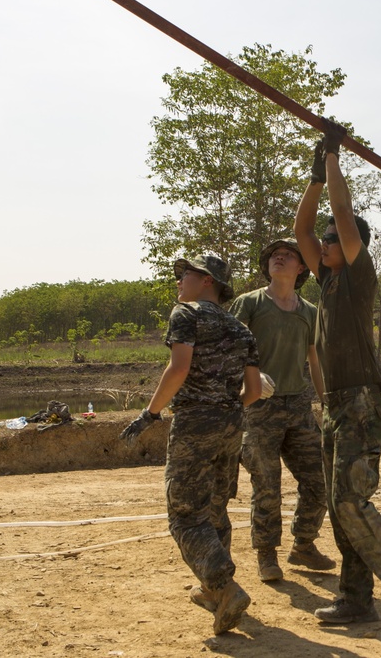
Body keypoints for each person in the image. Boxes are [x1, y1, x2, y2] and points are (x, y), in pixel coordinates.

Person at [293, 120, 381, 635]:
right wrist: (313, 177)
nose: (321, 246)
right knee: (338, 505)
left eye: (332, 242)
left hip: (360, 404)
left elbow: (341, 216)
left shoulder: (357, 272)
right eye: (325, 242)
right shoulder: (327, 284)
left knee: (352, 498)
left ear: (349, 246)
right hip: (336, 405)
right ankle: (355, 599)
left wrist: (333, 156)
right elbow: (303, 229)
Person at [119, 254, 259, 636]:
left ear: (208, 281)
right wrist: (227, 409)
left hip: (195, 423)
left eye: (187, 274)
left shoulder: (187, 314)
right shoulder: (242, 330)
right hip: (231, 424)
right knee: (214, 510)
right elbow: (256, 390)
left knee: (184, 515)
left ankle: (225, 586)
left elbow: (178, 368)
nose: (180, 280)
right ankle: (213, 593)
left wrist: (150, 414)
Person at [228, 239, 335, 582]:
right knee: (267, 485)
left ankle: (303, 545)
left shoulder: (309, 312)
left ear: (302, 268)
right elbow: (232, 348)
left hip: (298, 406)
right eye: (274, 254)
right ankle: (266, 554)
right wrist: (252, 375)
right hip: (259, 408)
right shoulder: (250, 304)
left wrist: (325, 401)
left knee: (319, 481)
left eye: (288, 255)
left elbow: (314, 360)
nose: (279, 257)